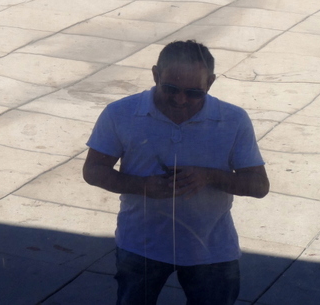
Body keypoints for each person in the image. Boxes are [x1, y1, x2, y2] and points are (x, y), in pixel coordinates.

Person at [83, 40, 270, 305]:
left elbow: (259, 186)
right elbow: (93, 170)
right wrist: (142, 185)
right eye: (170, 88)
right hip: (141, 245)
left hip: (211, 250)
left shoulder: (233, 119)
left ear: (211, 83)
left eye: (194, 93)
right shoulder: (120, 113)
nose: (181, 100)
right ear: (155, 75)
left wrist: (209, 176)